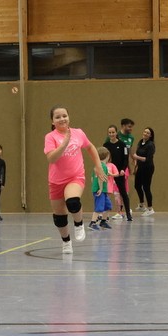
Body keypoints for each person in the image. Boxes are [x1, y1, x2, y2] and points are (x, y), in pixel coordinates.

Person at [45, 105, 107, 254]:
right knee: (59, 217)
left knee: (72, 201)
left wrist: (98, 166)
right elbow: (52, 158)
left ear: (69, 117)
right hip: (56, 181)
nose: (62, 119)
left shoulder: (78, 133)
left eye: (64, 116)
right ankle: (66, 242)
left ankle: (79, 224)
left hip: (75, 177)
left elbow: (90, 147)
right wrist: (64, 143)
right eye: (58, 117)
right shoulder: (50, 137)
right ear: (53, 121)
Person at [104, 124, 132, 221]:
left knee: (123, 193)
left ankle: (128, 214)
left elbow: (125, 159)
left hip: (119, 173)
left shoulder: (122, 145)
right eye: (109, 132)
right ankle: (104, 215)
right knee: (105, 193)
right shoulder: (106, 145)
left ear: (116, 133)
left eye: (113, 132)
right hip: (109, 173)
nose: (111, 134)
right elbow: (104, 159)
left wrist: (123, 169)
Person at [88, 147, 114, 231]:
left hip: (102, 190)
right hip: (100, 190)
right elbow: (100, 178)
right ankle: (92, 223)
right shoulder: (103, 166)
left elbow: (92, 178)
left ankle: (103, 221)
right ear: (107, 156)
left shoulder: (98, 166)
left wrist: (94, 186)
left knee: (108, 206)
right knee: (99, 207)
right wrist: (100, 188)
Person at [133, 127, 156, 216]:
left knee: (146, 187)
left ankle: (150, 208)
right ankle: (142, 204)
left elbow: (147, 159)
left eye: (147, 133)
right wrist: (135, 165)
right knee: (137, 185)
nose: (145, 134)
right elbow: (137, 154)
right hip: (140, 167)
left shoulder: (151, 145)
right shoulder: (140, 142)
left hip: (148, 168)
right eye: (144, 132)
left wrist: (136, 157)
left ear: (150, 136)